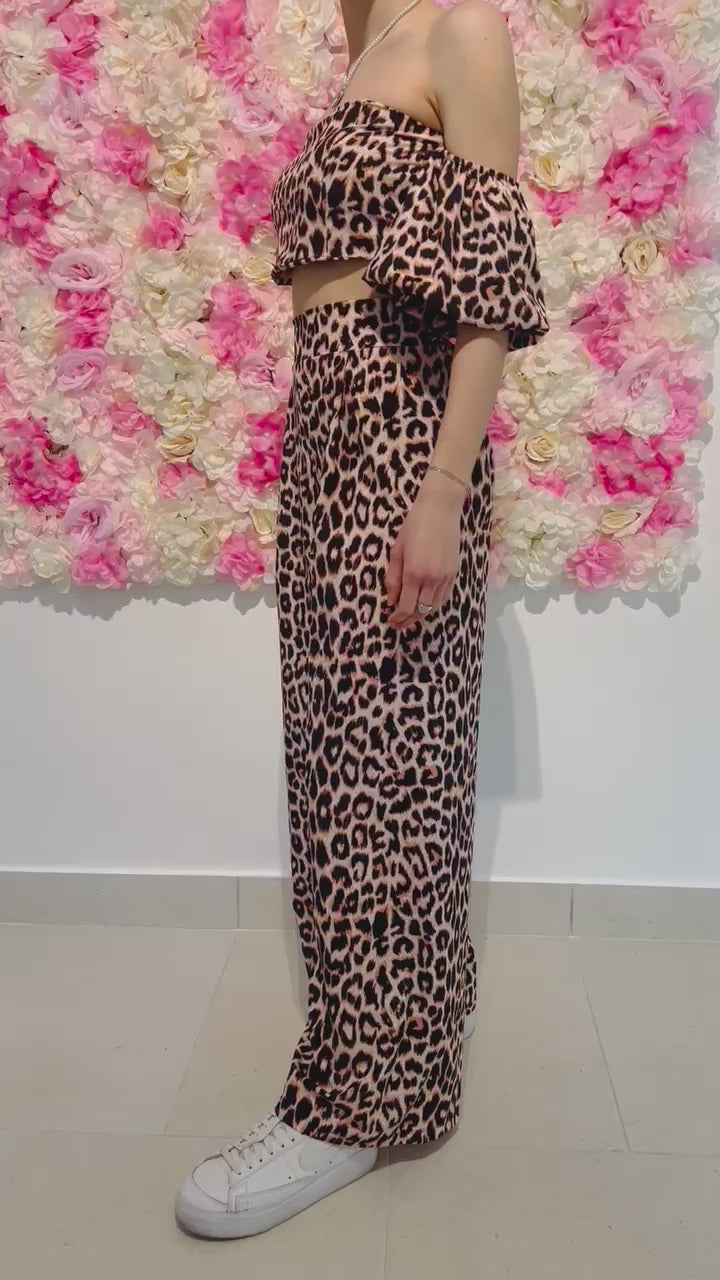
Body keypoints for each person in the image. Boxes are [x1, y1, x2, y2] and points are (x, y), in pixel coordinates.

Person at [175, 0, 549, 1239]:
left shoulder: (460, 31)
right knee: (341, 765)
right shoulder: (364, 49)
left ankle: (352, 1103)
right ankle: (401, 1042)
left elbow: (488, 288)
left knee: (382, 772)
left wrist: (439, 489)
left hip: (401, 437)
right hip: (327, 426)